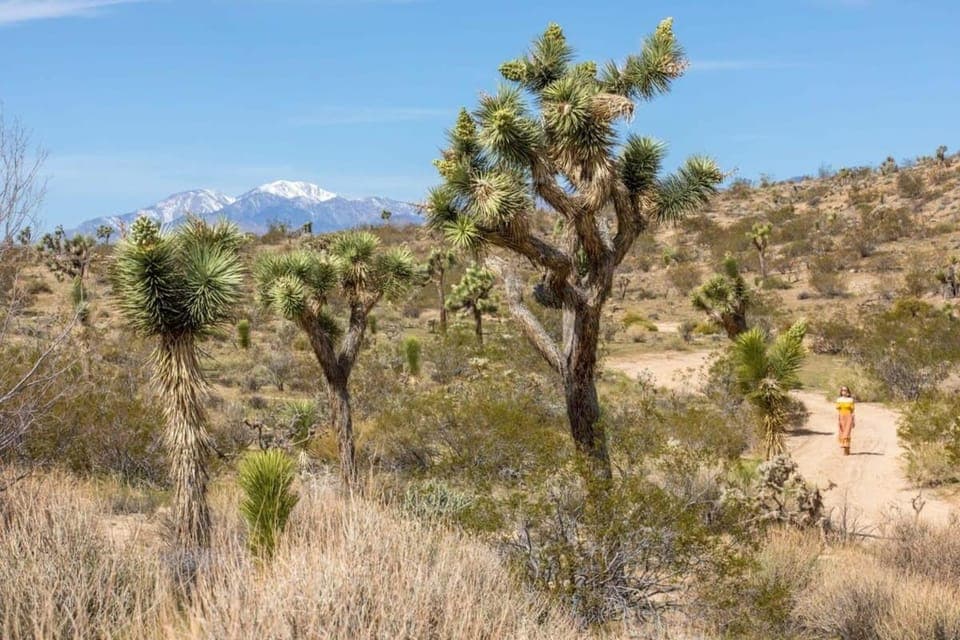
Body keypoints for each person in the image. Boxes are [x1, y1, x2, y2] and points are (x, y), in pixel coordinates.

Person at [836, 386, 855, 456]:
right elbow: (838, 410)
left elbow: (853, 411)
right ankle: (847, 447)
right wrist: (838, 419)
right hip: (841, 417)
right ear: (841, 391)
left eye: (846, 390)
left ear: (848, 392)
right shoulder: (838, 400)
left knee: (847, 433)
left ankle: (846, 447)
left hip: (849, 417)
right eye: (843, 390)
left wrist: (853, 421)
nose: (844, 392)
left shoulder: (851, 400)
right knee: (842, 432)